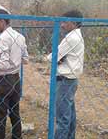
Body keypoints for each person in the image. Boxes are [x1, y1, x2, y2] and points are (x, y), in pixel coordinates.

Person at [0, 9, 28, 139]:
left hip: (3, 81)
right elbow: (25, 59)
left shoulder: (3, 37)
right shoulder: (20, 36)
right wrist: (11, 57)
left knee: (0, 115)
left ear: (2, 21)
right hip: (16, 79)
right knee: (14, 112)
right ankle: (17, 136)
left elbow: (4, 65)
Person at [47, 10, 84, 139]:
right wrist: (58, 57)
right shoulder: (77, 35)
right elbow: (58, 56)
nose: (61, 25)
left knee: (62, 118)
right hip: (71, 80)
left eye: (64, 22)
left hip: (64, 81)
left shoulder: (71, 37)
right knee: (69, 116)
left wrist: (55, 57)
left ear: (73, 22)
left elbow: (52, 57)